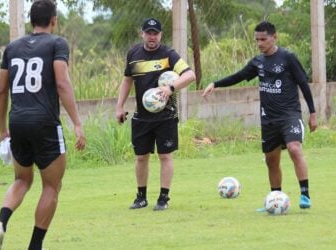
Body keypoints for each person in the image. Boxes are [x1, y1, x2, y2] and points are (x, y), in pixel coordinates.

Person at [0, 0, 86, 249]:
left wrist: (2, 130)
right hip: (45, 123)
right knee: (52, 185)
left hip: (17, 121)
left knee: (22, 180)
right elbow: (62, 84)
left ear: (31, 20)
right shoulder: (57, 44)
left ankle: (0, 223)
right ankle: (35, 245)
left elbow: (0, 91)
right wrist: (76, 123)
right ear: (54, 20)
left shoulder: (12, 48)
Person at [202, 21, 317, 209]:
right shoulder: (258, 62)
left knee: (294, 148)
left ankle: (305, 195)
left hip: (289, 115)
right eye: (257, 40)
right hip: (268, 118)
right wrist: (215, 83)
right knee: (272, 160)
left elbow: (303, 84)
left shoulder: (288, 58)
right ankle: (274, 198)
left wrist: (312, 113)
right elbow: (238, 76)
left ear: (274, 37)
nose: (260, 43)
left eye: (263, 39)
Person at [116, 18, 196, 211]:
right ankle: (141, 197)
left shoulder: (168, 55)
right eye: (149, 33)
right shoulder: (133, 54)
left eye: (156, 33)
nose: (152, 37)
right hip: (142, 116)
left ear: (160, 35)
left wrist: (171, 88)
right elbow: (127, 81)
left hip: (165, 116)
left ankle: (163, 198)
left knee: (165, 156)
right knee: (141, 157)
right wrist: (119, 106)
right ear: (142, 34)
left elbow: (190, 75)